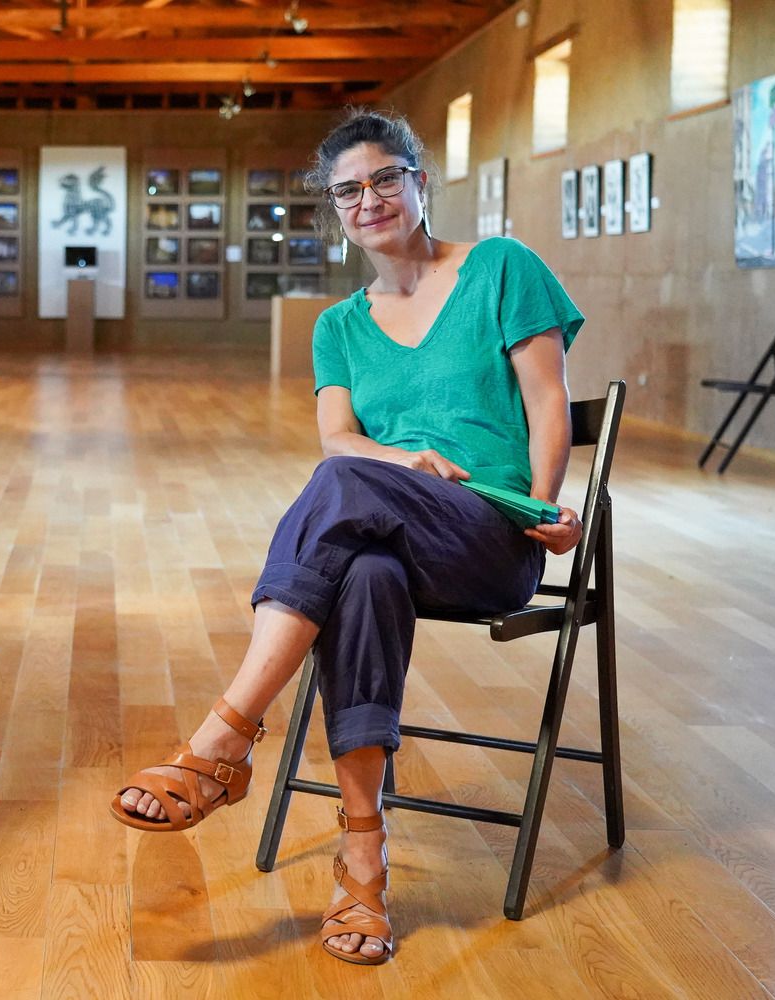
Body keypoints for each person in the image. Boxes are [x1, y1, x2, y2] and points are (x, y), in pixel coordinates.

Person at [110, 109, 584, 966]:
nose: (369, 200)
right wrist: (405, 461)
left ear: (419, 182)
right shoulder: (340, 326)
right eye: (348, 190)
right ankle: (361, 860)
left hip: (492, 532)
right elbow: (341, 439)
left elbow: (549, 401)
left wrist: (544, 506)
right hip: (396, 531)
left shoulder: (501, 269)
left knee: (340, 487)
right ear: (336, 210)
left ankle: (225, 736)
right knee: (362, 572)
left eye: (384, 179)